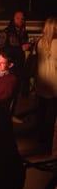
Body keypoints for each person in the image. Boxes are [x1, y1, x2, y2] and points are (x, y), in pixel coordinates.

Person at [35, 17, 57, 153]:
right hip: (54, 83)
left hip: (42, 82)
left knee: (42, 112)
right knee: (51, 115)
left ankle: (40, 139)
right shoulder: (56, 43)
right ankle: (49, 143)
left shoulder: (39, 43)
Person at [0, 10, 30, 77]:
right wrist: (20, 48)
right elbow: (3, 50)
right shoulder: (6, 32)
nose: (20, 20)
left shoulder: (24, 33)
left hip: (20, 65)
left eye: (22, 19)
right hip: (9, 66)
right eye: (18, 18)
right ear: (13, 19)